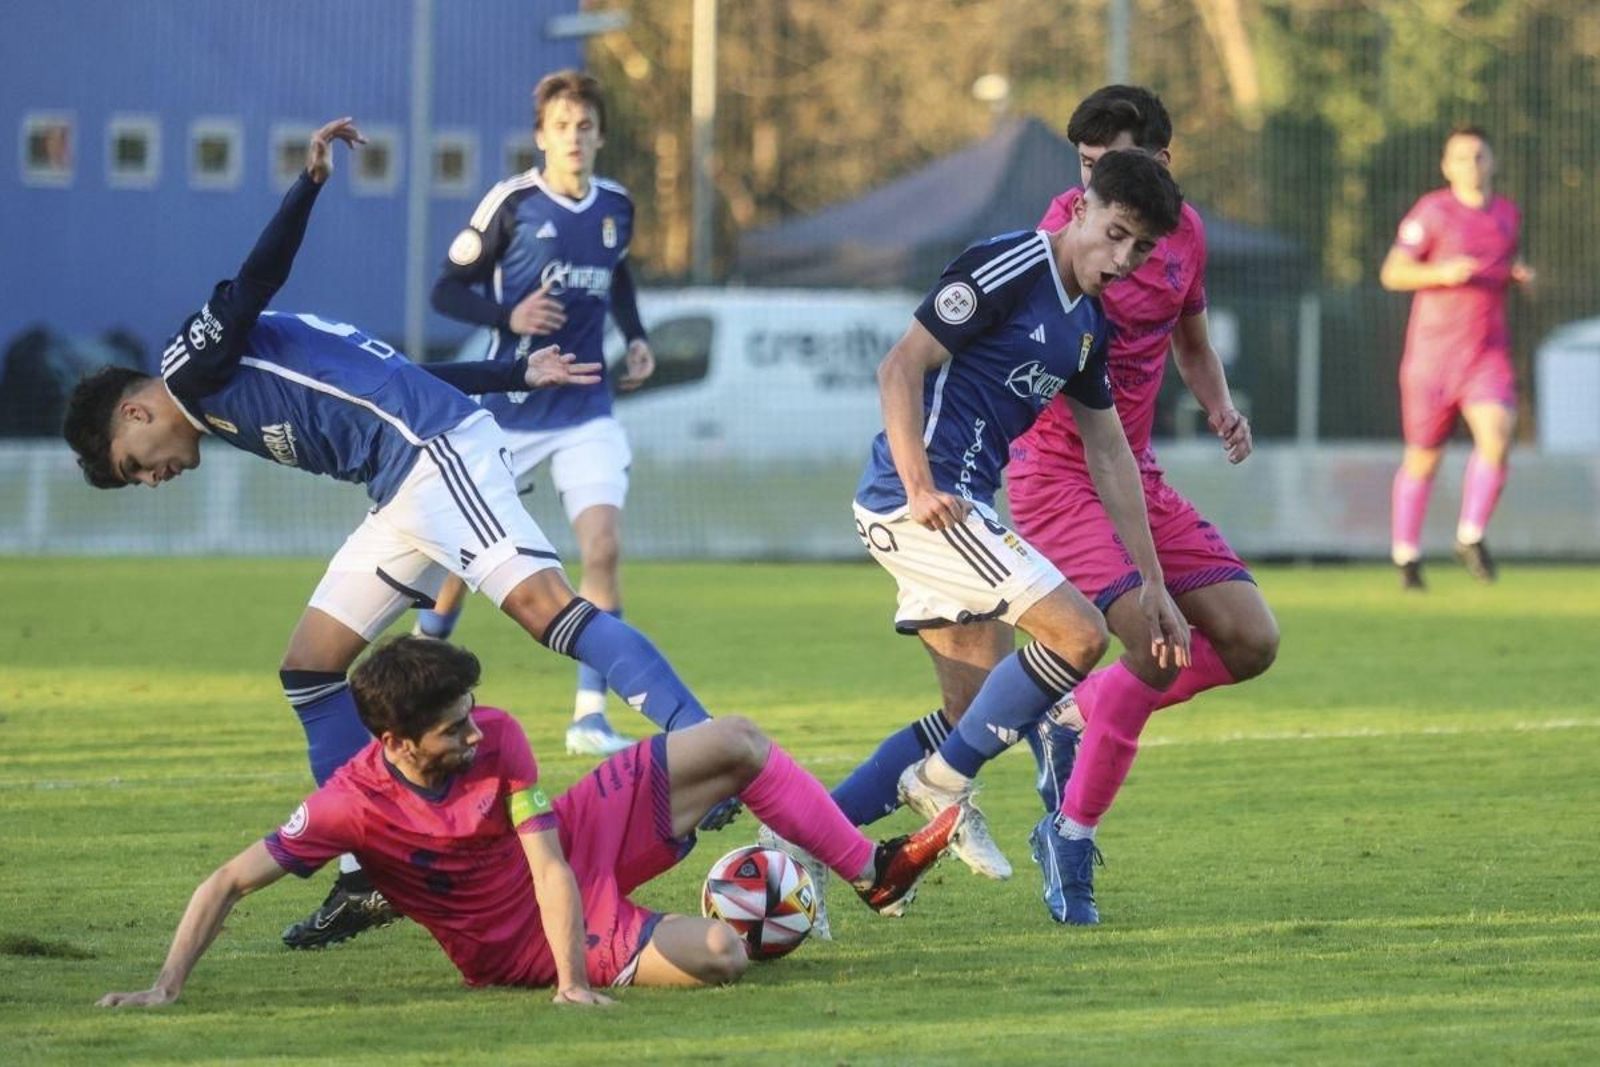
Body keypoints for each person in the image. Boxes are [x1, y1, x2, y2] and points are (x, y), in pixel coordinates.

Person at [62, 117, 734, 953]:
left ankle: (703, 741)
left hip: (431, 454)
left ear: (135, 412)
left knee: (549, 614)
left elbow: (252, 281)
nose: (151, 476)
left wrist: (307, 182)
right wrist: (512, 371)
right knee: (309, 668)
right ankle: (367, 876)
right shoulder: (212, 403)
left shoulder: (190, 368)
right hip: (401, 484)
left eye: (134, 463)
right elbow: (390, 370)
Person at [777, 149, 1191, 939]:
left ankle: (797, 840)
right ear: (1079, 209)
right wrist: (920, 481)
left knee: (970, 710)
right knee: (1078, 634)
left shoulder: (1085, 328)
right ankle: (940, 785)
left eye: (1140, 249)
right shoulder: (1011, 264)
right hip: (923, 503)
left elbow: (1111, 455)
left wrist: (1154, 581)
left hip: (951, 507)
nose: (1123, 259)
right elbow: (900, 366)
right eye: (1115, 235)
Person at [95, 637, 961, 1008]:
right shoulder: (344, 807)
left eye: (472, 713)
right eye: (453, 728)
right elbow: (226, 882)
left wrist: (577, 987)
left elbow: (550, 859)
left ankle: (869, 871)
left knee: (732, 738)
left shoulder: (498, 734)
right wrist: (165, 985)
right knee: (726, 955)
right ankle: (735, 921)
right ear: (395, 741)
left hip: (571, 848)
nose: (478, 731)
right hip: (517, 942)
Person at [1005, 86, 1280, 925]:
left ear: (1160, 162)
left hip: (1137, 474)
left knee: (1252, 638)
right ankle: (1071, 833)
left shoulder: (1179, 236)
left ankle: (1073, 711)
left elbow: (1191, 341)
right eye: (1084, 171)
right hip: (1059, 479)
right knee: (1158, 647)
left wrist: (1219, 404)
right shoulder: (1065, 234)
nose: (1089, 191)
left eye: (1109, 167)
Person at [418, 70, 655, 759]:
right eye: (561, 126)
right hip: (509, 410)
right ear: (541, 135)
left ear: (600, 134)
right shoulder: (513, 202)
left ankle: (589, 715)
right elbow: (445, 288)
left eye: (585, 126)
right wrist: (507, 313)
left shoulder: (617, 205)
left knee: (602, 547)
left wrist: (634, 337)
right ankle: (418, 668)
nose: (574, 138)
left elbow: (620, 275)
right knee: (459, 559)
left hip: (586, 408)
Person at [1380, 124, 1531, 591]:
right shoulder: (1432, 212)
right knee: (1423, 459)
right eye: (1462, 157)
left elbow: (1506, 266)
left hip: (1486, 355)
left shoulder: (1507, 214)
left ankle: (1471, 534)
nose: (1472, 164)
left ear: (1493, 161)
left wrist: (1522, 275)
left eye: (1480, 156)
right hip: (1431, 360)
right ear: (1447, 166)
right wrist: (1442, 272)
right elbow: (1393, 272)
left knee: (1499, 433)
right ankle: (1406, 556)